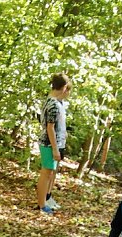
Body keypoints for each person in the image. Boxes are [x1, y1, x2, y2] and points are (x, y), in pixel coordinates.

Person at [35, 72, 71, 215]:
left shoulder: (56, 103)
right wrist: (55, 149)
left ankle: (47, 198)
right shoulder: (53, 105)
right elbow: (50, 128)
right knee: (46, 173)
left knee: (51, 173)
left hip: (56, 143)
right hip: (49, 144)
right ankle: (42, 204)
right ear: (63, 87)